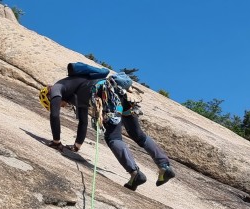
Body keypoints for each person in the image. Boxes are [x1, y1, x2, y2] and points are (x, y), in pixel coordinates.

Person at [39, 73, 176, 191]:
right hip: (120, 93)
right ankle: (164, 166)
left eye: (55, 104)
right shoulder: (76, 93)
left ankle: (135, 174)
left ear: (49, 96)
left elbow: (55, 115)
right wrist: (76, 146)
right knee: (137, 134)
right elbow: (83, 122)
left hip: (107, 94)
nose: (61, 106)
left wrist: (56, 142)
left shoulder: (57, 88)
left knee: (113, 137)